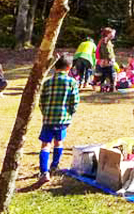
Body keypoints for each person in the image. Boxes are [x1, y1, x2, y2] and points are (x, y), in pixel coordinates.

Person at [38, 54, 80, 183]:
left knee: (45, 145)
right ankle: (54, 166)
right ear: (69, 67)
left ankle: (44, 172)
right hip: (63, 119)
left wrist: (45, 113)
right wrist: (70, 115)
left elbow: (41, 101)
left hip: (48, 118)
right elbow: (75, 102)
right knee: (59, 142)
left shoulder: (47, 82)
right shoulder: (72, 82)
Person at [96, 28, 116, 92]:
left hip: (104, 60)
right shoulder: (105, 40)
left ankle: (102, 88)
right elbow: (106, 51)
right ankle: (112, 88)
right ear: (107, 34)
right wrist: (108, 59)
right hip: (107, 60)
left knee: (104, 74)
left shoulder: (102, 40)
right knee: (111, 73)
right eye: (110, 33)